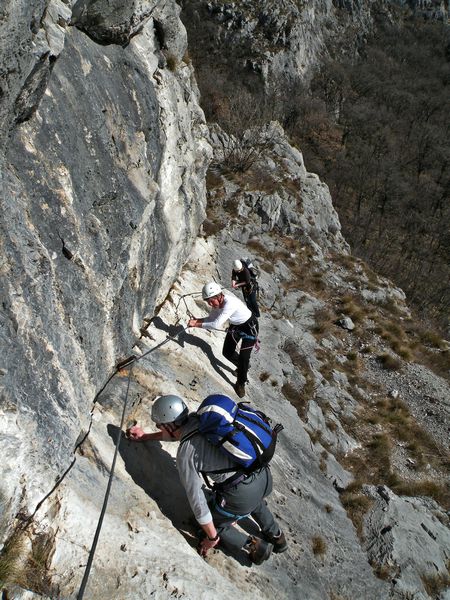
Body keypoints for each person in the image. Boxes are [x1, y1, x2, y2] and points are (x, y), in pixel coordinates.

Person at [127, 394, 287, 563]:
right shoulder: (203, 420)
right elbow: (177, 434)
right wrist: (145, 437)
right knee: (253, 500)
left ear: (168, 424)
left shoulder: (186, 455)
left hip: (241, 496)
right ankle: (277, 536)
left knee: (210, 525)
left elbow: (198, 504)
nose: (158, 427)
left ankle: (255, 547)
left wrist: (211, 538)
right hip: (261, 476)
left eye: (159, 424)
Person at [188, 282, 259, 398]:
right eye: (208, 301)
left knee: (244, 358)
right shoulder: (217, 305)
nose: (210, 303)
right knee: (227, 352)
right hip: (236, 326)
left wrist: (196, 324)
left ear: (219, 296)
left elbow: (216, 324)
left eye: (211, 300)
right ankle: (242, 367)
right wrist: (198, 321)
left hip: (250, 327)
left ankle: (241, 383)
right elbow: (211, 318)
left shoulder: (229, 303)